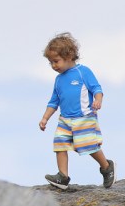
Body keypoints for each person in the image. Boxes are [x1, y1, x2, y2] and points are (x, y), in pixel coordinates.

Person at [38, 32, 115, 190]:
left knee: (88, 146)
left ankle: (106, 167)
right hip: (65, 119)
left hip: (84, 117)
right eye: (50, 62)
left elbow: (97, 89)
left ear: (69, 56)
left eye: (56, 61)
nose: (53, 65)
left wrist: (98, 100)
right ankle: (63, 177)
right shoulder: (58, 80)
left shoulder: (83, 72)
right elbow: (54, 101)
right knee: (60, 145)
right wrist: (45, 118)